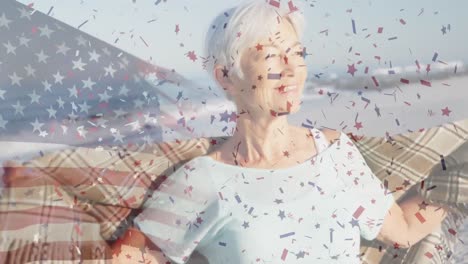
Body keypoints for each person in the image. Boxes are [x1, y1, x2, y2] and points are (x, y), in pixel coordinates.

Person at [113, 1, 451, 263]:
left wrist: (459, 180)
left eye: (297, 53)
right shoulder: (202, 179)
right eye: (272, 56)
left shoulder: (335, 152)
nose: (292, 70)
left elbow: (403, 231)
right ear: (226, 77)